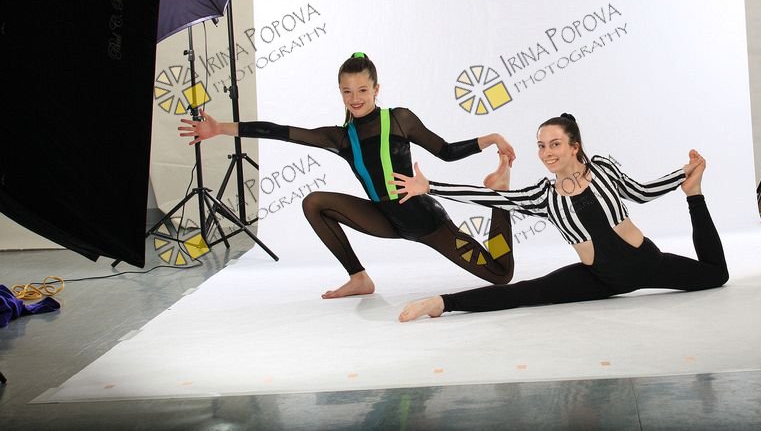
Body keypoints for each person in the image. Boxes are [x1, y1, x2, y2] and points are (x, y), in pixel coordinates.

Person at [178, 52, 517, 299]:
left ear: (376, 89)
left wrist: (488, 139)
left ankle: (499, 198)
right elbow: (280, 131)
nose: (355, 99)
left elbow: (445, 151)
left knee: (500, 273)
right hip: (384, 219)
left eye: (362, 91)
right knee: (314, 203)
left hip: (426, 221)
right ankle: (359, 278)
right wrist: (221, 128)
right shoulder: (341, 138)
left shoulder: (400, 120)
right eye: (347, 92)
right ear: (340, 92)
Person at [391, 113, 728, 321]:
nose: (546, 153)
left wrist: (683, 177)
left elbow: (640, 192)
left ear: (574, 147)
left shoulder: (603, 170)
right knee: (525, 292)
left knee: (716, 275)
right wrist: (430, 187)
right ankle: (441, 304)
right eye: (541, 146)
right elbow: (490, 197)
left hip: (648, 263)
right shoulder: (544, 196)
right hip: (599, 278)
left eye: (554, 144)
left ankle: (695, 194)